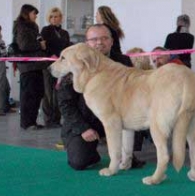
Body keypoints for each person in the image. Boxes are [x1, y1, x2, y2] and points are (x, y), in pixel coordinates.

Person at [57, 24, 146, 170]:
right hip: (86, 121)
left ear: (111, 41)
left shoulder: (123, 61)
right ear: (87, 43)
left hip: (119, 117)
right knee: (79, 162)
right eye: (94, 39)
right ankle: (96, 153)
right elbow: (65, 103)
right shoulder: (73, 64)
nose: (100, 42)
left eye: (105, 38)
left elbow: (134, 93)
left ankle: (126, 155)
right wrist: (83, 128)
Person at [13, 4, 48, 130]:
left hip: (37, 65)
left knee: (38, 93)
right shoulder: (21, 26)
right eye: (34, 14)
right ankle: (26, 123)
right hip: (28, 66)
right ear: (27, 13)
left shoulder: (33, 26)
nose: (35, 16)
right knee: (28, 95)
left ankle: (32, 121)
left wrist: (40, 43)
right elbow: (24, 45)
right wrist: (40, 45)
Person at [40, 7, 71, 127]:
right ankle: (48, 119)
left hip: (61, 66)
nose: (54, 19)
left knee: (59, 92)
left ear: (61, 18)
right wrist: (51, 54)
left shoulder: (65, 33)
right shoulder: (45, 30)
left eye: (56, 16)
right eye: (52, 17)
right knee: (48, 92)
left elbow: (67, 48)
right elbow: (43, 46)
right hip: (48, 65)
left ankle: (57, 119)